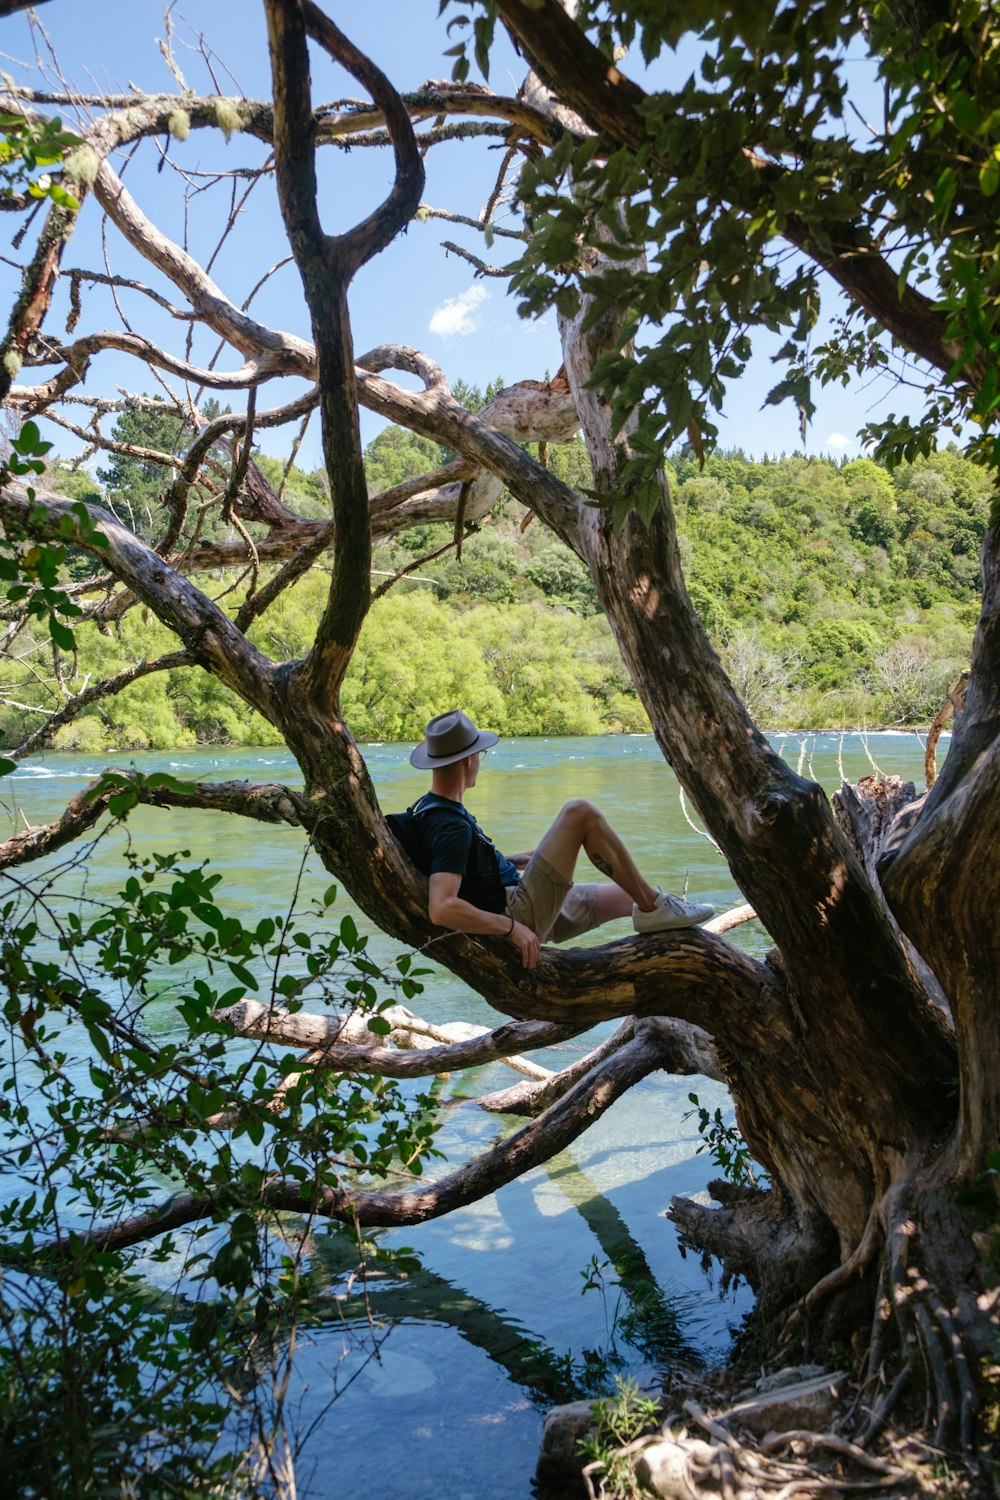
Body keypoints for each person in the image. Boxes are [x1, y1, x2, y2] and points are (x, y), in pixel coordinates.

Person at [405, 710, 715, 971]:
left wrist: (512, 860)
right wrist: (513, 929)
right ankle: (656, 907)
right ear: (469, 760)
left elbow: (456, 865)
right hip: (517, 913)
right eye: (480, 755)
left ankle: (657, 920)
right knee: (580, 812)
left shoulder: (432, 808)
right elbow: (442, 908)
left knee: (627, 895)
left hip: (516, 896)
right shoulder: (450, 825)